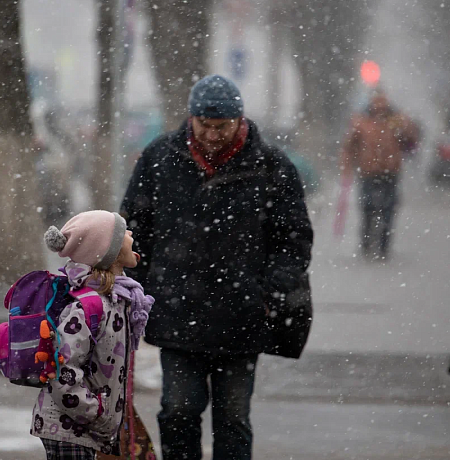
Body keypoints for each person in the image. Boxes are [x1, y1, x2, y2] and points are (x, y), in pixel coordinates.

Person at [121, 74, 313, 460]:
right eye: (204, 125)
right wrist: (137, 293)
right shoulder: (159, 159)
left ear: (240, 121)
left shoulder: (271, 167)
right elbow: (132, 233)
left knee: (233, 419)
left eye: (221, 126)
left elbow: (294, 239)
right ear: (190, 118)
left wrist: (268, 291)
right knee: (178, 410)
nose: (211, 134)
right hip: (177, 313)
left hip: (242, 317)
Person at [30, 210, 154, 460]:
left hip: (85, 429)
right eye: (123, 232)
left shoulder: (119, 300)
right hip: (68, 429)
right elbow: (62, 374)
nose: (130, 233)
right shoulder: (87, 307)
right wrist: (97, 412)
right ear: (110, 251)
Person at [339, 89, 420, 259]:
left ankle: (384, 245)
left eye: (382, 102)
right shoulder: (360, 121)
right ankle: (367, 242)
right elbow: (349, 146)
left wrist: (404, 126)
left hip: (391, 171)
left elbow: (411, 140)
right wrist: (347, 167)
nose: (380, 106)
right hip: (368, 171)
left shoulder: (396, 120)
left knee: (389, 208)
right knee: (367, 207)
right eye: (376, 102)